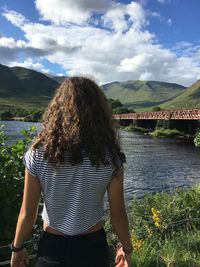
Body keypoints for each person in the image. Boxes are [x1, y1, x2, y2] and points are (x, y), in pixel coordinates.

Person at [10, 77, 132, 267]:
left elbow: (27, 213)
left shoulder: (38, 154)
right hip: (93, 248)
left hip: (52, 248)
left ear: (56, 110)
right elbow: (118, 216)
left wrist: (17, 248)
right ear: (99, 112)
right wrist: (127, 248)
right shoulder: (111, 158)